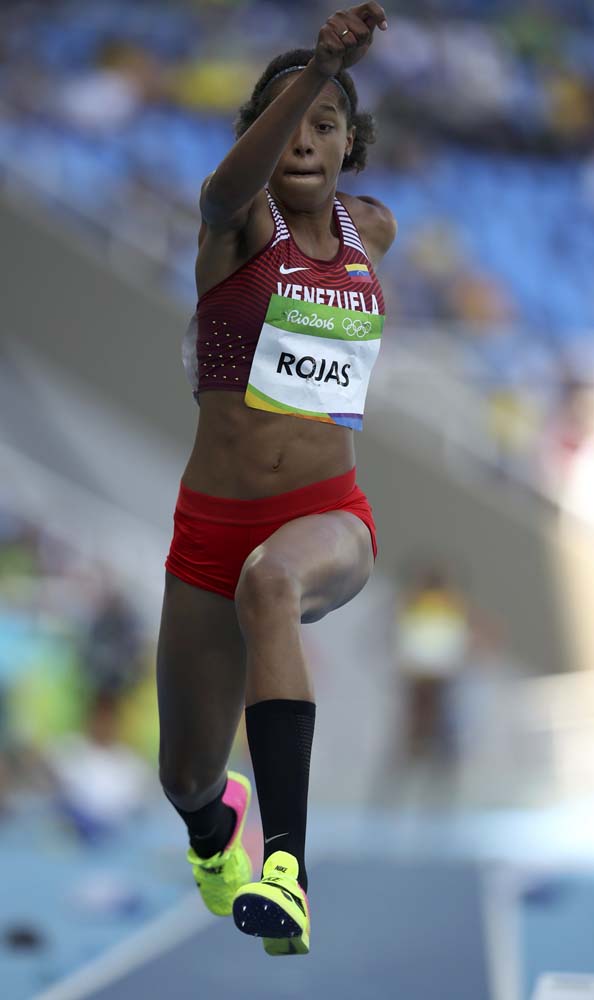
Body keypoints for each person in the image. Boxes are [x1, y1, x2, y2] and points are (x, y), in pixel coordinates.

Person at [157, 4, 395, 957]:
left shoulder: (371, 229)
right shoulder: (235, 228)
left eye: (326, 125)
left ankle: (286, 868)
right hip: (209, 528)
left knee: (274, 579)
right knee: (182, 776)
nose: (305, 138)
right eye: (289, 120)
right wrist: (317, 70)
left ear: (349, 146)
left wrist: (328, 78)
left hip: (326, 517)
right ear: (263, 127)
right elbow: (224, 188)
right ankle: (217, 826)